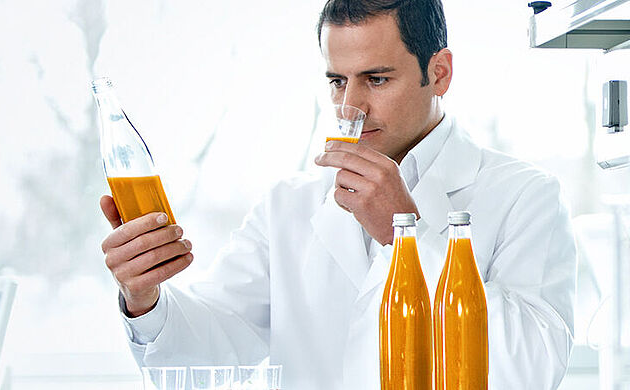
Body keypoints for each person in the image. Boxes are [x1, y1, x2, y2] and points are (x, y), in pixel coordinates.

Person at [95, 0, 576, 388]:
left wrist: (404, 235)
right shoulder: (289, 207)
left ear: (441, 73)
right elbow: (206, 354)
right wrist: (144, 298)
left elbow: (530, 370)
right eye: (337, 81)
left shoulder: (525, 196)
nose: (351, 107)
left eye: (377, 79)